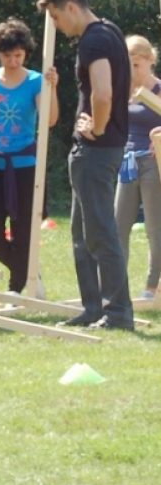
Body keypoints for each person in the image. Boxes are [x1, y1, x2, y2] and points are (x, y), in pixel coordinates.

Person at [37, 0, 133, 330]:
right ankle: (93, 308)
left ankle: (118, 313)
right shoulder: (110, 31)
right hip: (96, 151)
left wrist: (99, 127)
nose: (58, 28)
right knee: (81, 233)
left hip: (97, 149)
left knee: (99, 232)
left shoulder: (94, 40)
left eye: (57, 19)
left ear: (72, 8)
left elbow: (103, 93)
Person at [0, 18, 59, 293]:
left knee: (23, 232)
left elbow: (50, 120)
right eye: (7, 56)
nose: (13, 61)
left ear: (25, 53)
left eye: (18, 55)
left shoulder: (35, 81)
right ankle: (28, 271)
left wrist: (51, 89)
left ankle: (17, 289)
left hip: (24, 167)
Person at [114, 35, 161, 300]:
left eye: (136, 64)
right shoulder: (124, 91)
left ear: (149, 60)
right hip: (128, 163)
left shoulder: (157, 90)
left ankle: (152, 287)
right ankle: (116, 286)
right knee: (118, 225)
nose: (132, 70)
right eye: (127, 64)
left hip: (154, 163)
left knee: (156, 227)